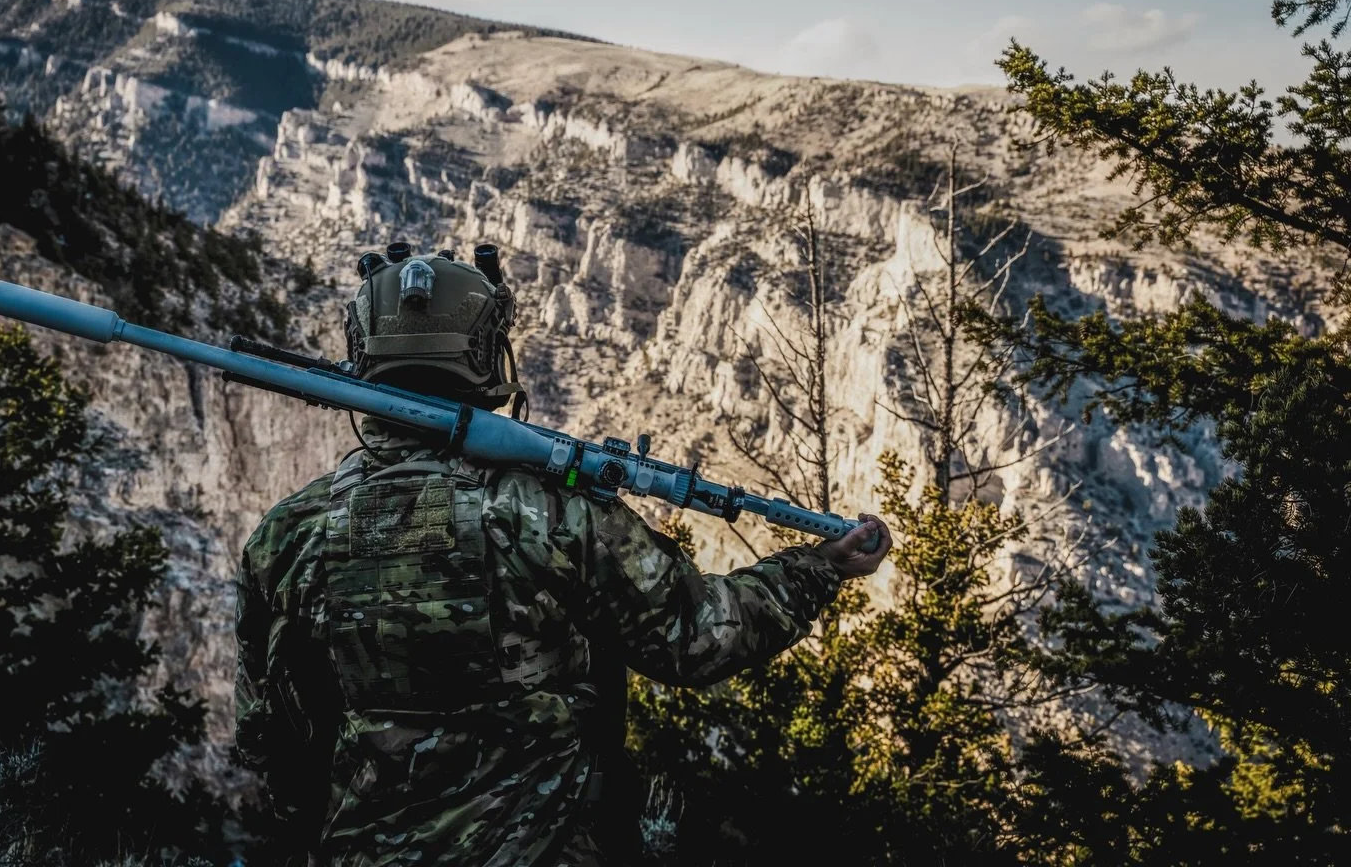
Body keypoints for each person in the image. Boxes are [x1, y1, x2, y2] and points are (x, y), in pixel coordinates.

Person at [234, 244, 893, 867]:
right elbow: (697, 638)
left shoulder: (288, 536)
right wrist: (818, 568)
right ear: (489, 356)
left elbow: (271, 736)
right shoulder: (551, 514)